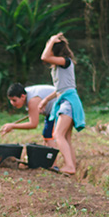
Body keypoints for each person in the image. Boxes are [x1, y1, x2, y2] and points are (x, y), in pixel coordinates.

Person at [38, 33, 85, 175]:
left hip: (68, 103)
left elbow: (44, 57)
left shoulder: (66, 62)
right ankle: (71, 165)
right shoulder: (59, 67)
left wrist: (51, 40)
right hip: (65, 100)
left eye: (50, 47)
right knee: (66, 137)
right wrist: (46, 100)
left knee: (58, 134)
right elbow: (60, 89)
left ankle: (69, 166)